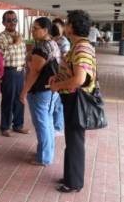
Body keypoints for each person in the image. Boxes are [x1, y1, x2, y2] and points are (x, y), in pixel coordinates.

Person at [49, 10, 97, 193]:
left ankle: (74, 182)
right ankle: (70, 175)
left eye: (67, 23)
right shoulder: (78, 46)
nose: (65, 26)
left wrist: (57, 85)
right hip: (71, 99)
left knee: (75, 141)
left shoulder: (82, 48)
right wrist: (58, 78)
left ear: (72, 27)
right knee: (72, 140)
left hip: (77, 100)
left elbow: (79, 79)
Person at [19, 17, 60, 166]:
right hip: (50, 91)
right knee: (47, 122)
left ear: (45, 30)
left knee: (42, 123)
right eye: (32, 28)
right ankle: (46, 153)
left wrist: (23, 92)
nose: (33, 31)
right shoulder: (53, 44)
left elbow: (34, 72)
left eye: (36, 28)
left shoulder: (42, 48)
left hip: (40, 91)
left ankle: (44, 157)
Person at [0, 10, 30, 137]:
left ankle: (18, 125)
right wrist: (15, 44)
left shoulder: (20, 35)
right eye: (9, 20)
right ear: (4, 23)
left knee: (20, 99)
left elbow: (23, 55)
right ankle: (5, 127)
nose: (12, 23)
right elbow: (2, 56)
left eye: (14, 20)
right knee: (8, 100)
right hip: (9, 72)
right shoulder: (2, 37)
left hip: (20, 71)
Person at [50, 19, 71, 134]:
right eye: (54, 27)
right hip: (52, 74)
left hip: (60, 74)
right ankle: (55, 124)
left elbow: (65, 59)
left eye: (57, 27)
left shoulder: (64, 42)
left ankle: (58, 127)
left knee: (58, 103)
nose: (55, 29)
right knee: (53, 101)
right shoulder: (51, 40)